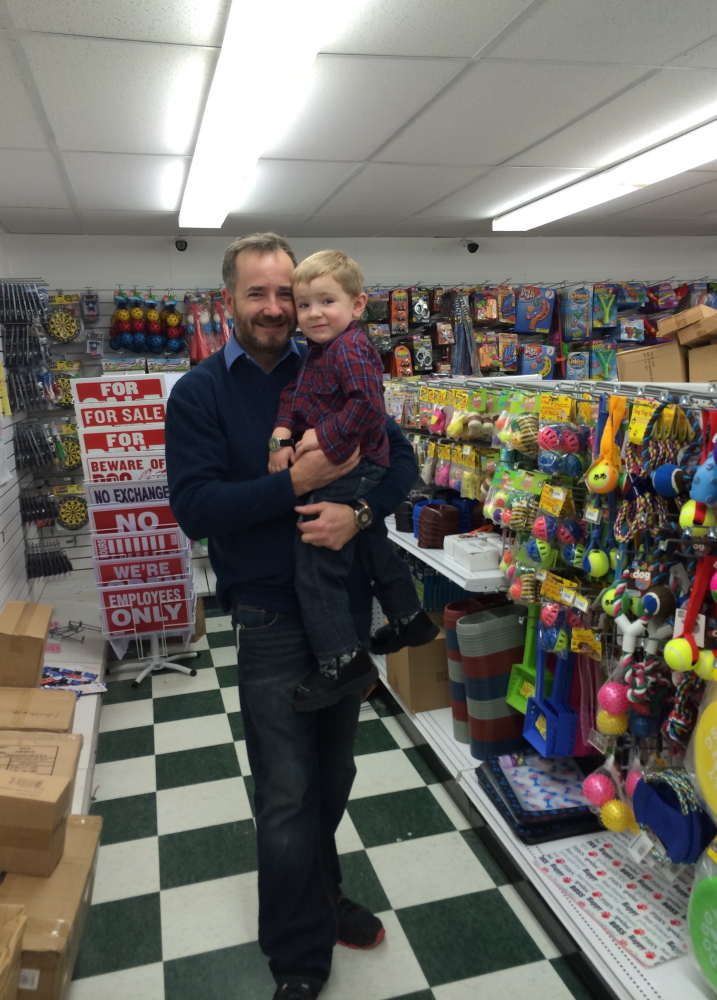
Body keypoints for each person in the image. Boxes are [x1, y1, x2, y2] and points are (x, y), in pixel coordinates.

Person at [165, 233, 418, 1000]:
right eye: (261, 294)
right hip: (271, 617)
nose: (279, 309)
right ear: (230, 301)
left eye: (291, 294)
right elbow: (197, 509)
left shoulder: (338, 363)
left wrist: (358, 515)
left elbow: (399, 466)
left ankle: (316, 894)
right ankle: (298, 952)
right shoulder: (201, 394)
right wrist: (297, 482)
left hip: (342, 612)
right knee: (285, 791)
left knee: (334, 773)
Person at [268, 249, 438, 712]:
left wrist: (318, 442)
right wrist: (282, 431)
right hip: (357, 464)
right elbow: (293, 393)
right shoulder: (318, 351)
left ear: (358, 305)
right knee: (370, 541)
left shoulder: (351, 348)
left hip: (356, 464)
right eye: (304, 305)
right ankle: (409, 617)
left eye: (326, 301)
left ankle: (342, 661)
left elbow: (367, 405)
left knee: (316, 567)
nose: (313, 314)